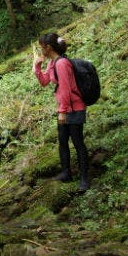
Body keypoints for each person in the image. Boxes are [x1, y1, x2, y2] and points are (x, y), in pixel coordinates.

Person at [33, 33, 90, 192]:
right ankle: (67, 172)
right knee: (62, 140)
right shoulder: (53, 63)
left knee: (78, 142)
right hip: (64, 108)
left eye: (41, 47)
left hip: (74, 108)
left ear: (48, 47)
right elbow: (45, 82)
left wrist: (62, 112)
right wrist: (37, 67)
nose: (40, 49)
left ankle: (84, 178)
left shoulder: (62, 64)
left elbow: (65, 88)